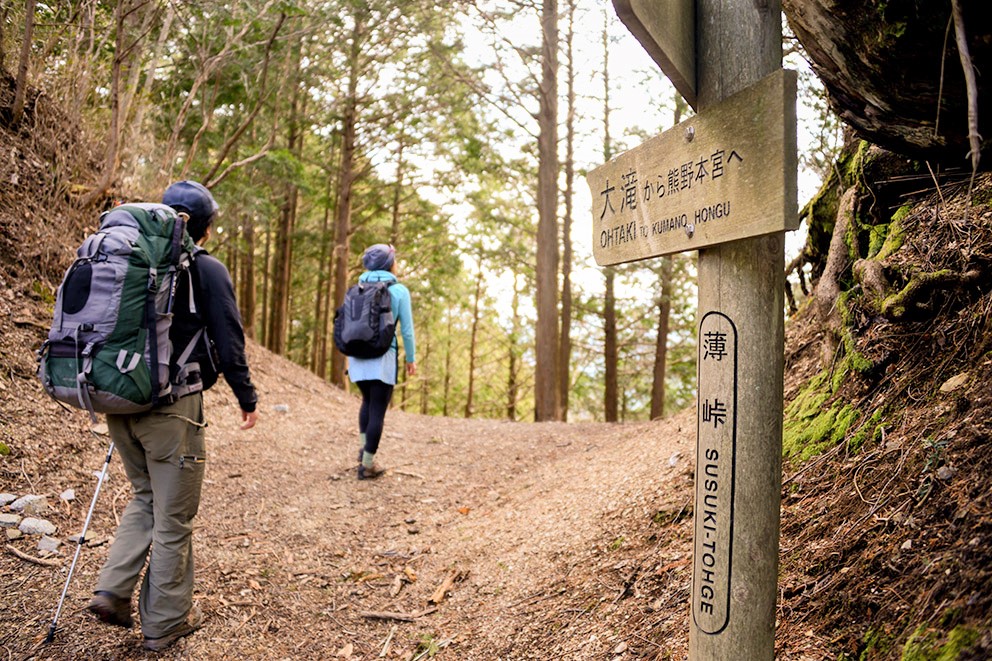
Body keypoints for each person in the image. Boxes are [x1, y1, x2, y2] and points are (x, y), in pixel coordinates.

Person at [87, 181, 259, 651]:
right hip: (173, 408)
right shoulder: (205, 268)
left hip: (117, 399)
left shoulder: (127, 260)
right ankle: (166, 621)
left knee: (145, 495)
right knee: (175, 517)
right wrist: (247, 396)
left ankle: (112, 590)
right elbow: (229, 340)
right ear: (203, 229)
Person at [348, 243, 416, 480]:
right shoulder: (399, 291)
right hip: (383, 358)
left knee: (366, 402)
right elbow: (406, 330)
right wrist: (411, 358)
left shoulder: (357, 286)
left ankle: (363, 450)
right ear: (389, 264)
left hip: (356, 357)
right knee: (378, 408)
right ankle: (367, 465)